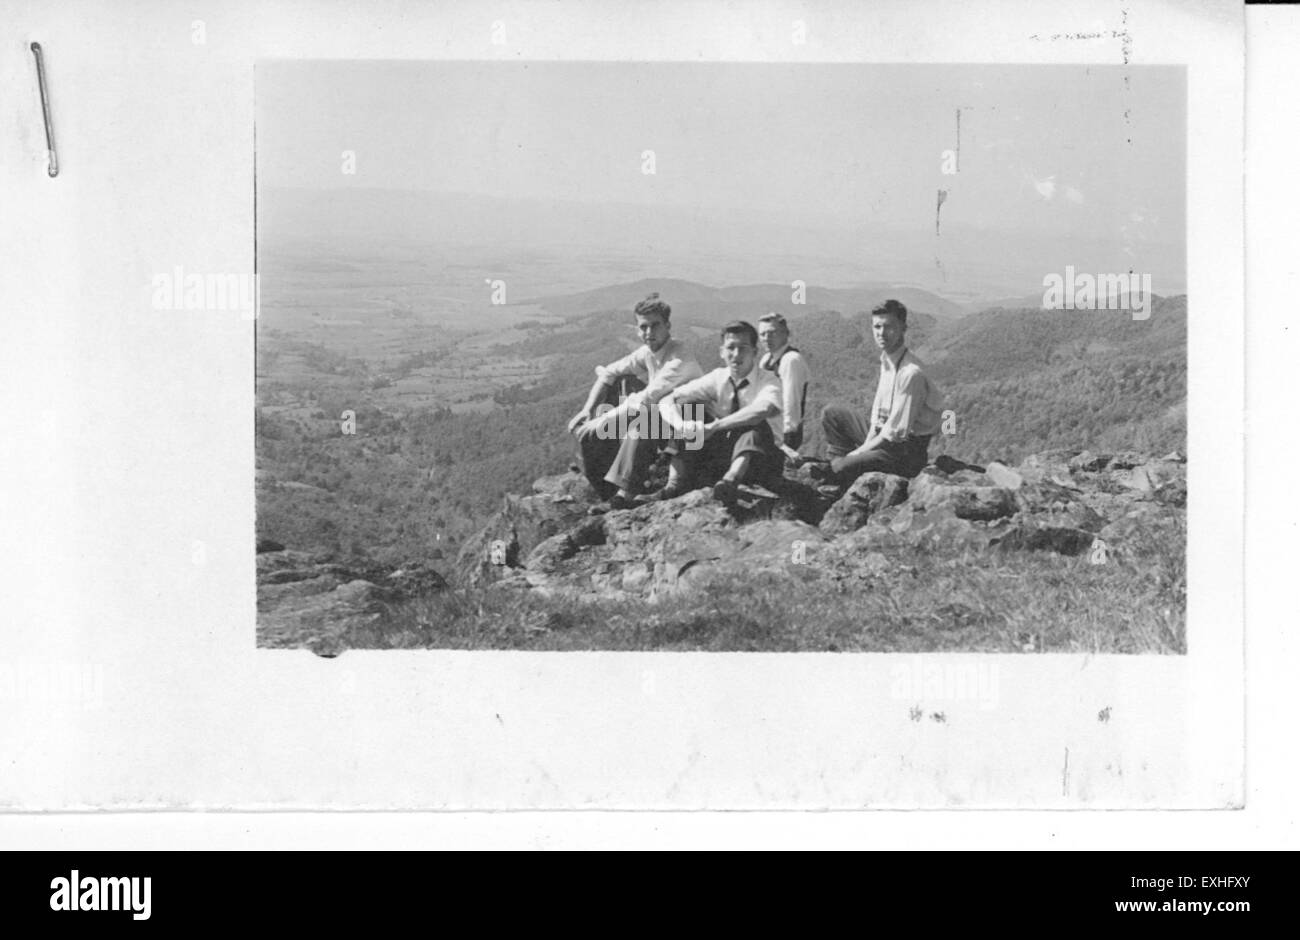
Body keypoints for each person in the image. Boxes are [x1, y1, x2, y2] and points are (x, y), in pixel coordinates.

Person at [568, 293, 704, 509]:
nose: (649, 332)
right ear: (637, 329)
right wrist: (588, 409)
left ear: (668, 326)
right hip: (666, 417)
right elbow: (609, 372)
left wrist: (600, 421)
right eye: (643, 327)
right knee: (623, 381)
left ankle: (627, 494)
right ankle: (609, 465)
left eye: (655, 325)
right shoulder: (648, 353)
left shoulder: (679, 358)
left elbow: (646, 399)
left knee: (645, 420)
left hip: (694, 424)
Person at [813, 299, 944, 485]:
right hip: (885, 437)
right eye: (877, 327)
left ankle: (837, 470)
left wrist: (859, 452)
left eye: (889, 326)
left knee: (841, 467)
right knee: (832, 413)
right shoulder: (887, 362)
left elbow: (895, 434)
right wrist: (864, 447)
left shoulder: (911, 374)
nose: (881, 333)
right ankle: (838, 466)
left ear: (903, 329)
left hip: (904, 454)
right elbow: (878, 420)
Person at [652, 320, 785, 504]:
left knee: (753, 424)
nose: (736, 354)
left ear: (754, 352)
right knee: (690, 409)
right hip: (725, 452)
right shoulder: (718, 378)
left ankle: (730, 481)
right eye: (731, 348)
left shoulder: (769, 380)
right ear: (722, 352)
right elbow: (669, 399)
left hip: (762, 459)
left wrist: (715, 426)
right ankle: (673, 486)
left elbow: (763, 409)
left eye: (743, 348)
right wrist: (682, 425)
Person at [757, 313, 811, 463]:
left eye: (772, 332)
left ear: (786, 334)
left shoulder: (790, 360)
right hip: (767, 426)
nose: (767, 338)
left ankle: (692, 451)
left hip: (782, 433)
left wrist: (785, 443)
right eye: (762, 334)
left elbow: (791, 402)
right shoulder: (767, 359)